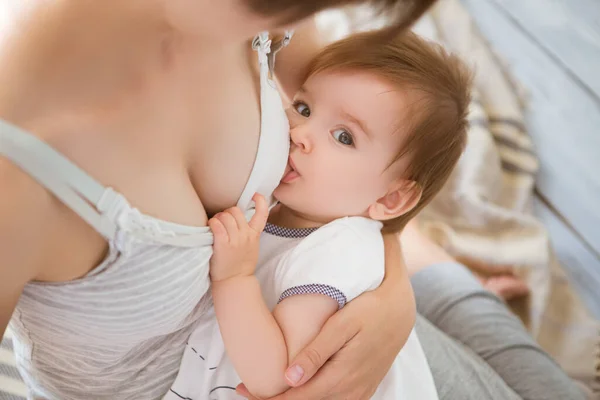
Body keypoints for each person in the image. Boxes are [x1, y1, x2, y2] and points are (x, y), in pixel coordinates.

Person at [0, 0, 586, 399]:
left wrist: (393, 284)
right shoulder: (19, 162)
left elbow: (377, 169)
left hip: (348, 328)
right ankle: (454, 284)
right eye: (298, 111)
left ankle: (444, 278)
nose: (309, 12)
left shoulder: (268, 16)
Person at [167, 30, 470, 400]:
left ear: (391, 198)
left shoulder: (338, 255)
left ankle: (459, 283)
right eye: (304, 107)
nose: (301, 134)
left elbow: (276, 377)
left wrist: (235, 277)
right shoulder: (294, 209)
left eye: (344, 137)